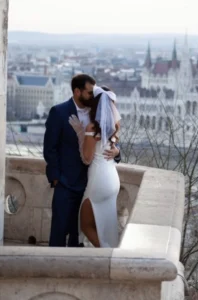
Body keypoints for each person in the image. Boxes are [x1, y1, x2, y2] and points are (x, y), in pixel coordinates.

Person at [43, 74, 121, 247]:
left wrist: (116, 152)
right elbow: (50, 148)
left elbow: (109, 143)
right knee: (60, 229)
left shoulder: (96, 117)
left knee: (78, 232)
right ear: (77, 92)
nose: (92, 96)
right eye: (89, 92)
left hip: (91, 182)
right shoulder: (59, 112)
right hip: (67, 183)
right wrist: (57, 179)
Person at [69, 85, 121, 247]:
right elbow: (112, 149)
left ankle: (107, 256)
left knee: (85, 225)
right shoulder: (114, 127)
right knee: (104, 225)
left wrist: (79, 134)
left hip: (98, 180)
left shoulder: (92, 128)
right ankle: (107, 251)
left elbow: (87, 158)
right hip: (112, 179)